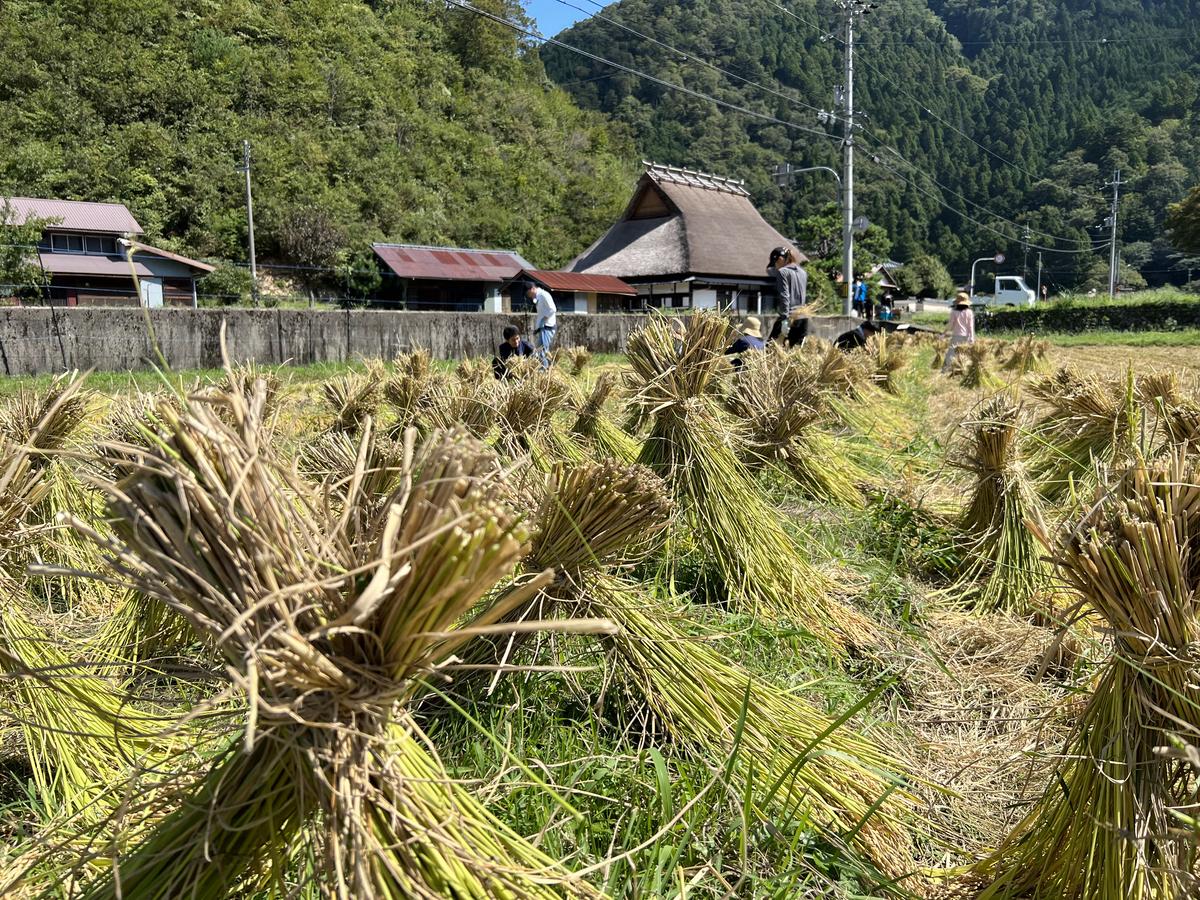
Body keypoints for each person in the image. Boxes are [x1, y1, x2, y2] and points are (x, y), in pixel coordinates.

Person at [767, 246, 808, 345]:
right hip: (803, 317)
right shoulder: (803, 272)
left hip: (789, 317)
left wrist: (784, 320)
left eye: (775, 263)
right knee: (794, 352)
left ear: (780, 259)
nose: (776, 267)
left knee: (770, 348)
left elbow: (784, 296)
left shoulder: (783, 272)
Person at [942, 292, 976, 373]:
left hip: (957, 335)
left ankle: (946, 370)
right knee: (965, 353)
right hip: (966, 336)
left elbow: (950, 325)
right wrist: (972, 337)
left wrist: (944, 333)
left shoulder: (954, 312)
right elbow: (970, 326)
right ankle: (964, 369)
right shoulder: (969, 312)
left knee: (951, 352)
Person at [526, 282, 557, 367]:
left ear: (532, 288)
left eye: (529, 293)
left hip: (547, 327)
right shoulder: (538, 296)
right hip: (542, 327)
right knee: (539, 351)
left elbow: (553, 309)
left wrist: (544, 320)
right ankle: (545, 369)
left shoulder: (544, 295)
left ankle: (545, 371)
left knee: (543, 351)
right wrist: (538, 327)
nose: (529, 296)